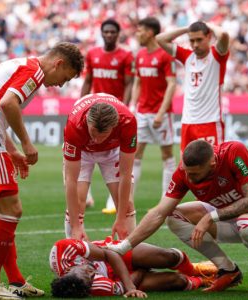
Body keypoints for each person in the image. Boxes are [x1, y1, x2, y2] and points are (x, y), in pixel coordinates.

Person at [0, 42, 84, 299]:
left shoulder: (19, 64)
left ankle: (15, 280)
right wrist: (25, 142)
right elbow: (8, 103)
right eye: (65, 78)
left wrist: (11, 150)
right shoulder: (35, 71)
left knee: (0, 212)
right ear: (59, 63)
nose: (61, 84)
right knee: (12, 209)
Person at [107, 140, 248, 294]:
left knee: (247, 223)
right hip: (231, 218)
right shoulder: (184, 173)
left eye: (194, 173)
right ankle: (228, 270)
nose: (188, 177)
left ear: (212, 163)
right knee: (174, 216)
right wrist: (124, 247)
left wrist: (211, 217)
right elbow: (159, 212)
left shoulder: (234, 152)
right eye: (186, 171)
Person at [63, 93, 137, 241]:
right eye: (93, 133)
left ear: (114, 127)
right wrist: (76, 226)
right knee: (77, 203)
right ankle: (77, 253)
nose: (97, 140)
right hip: (83, 150)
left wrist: (121, 219)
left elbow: (125, 174)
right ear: (87, 123)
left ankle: (130, 254)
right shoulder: (74, 124)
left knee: (127, 205)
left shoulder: (128, 121)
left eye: (103, 136)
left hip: (113, 150)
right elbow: (71, 180)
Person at [80, 18, 135, 214]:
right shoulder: (93, 54)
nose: (109, 35)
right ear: (101, 33)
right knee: (86, 151)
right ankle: (86, 196)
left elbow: (129, 83)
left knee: (115, 156)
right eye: (106, 32)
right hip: (95, 112)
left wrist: (124, 107)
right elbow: (88, 81)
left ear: (118, 34)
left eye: (113, 32)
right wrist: (81, 104)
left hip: (115, 114)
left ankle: (114, 201)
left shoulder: (126, 55)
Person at [49, 237, 217, 297]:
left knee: (168, 257)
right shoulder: (95, 287)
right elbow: (121, 287)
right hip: (119, 276)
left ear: (67, 271)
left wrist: (130, 287)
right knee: (177, 281)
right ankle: (200, 280)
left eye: (85, 272)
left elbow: (110, 254)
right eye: (90, 277)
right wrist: (142, 270)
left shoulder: (63, 250)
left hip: (113, 253)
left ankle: (193, 269)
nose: (90, 272)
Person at [156, 21, 230, 152]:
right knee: (186, 166)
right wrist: (187, 28)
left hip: (210, 121)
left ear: (209, 37)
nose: (195, 45)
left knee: (213, 165)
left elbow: (223, 34)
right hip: (187, 122)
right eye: (192, 40)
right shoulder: (187, 56)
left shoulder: (217, 55)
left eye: (199, 40)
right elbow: (160, 39)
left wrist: (210, 26)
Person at [129, 17, 177, 198]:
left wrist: (161, 112)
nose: (137, 34)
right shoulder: (140, 55)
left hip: (161, 115)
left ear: (150, 33)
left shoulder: (165, 55)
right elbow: (137, 82)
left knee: (166, 154)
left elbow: (172, 84)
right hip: (142, 113)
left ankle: (167, 198)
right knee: (135, 154)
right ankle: (129, 197)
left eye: (140, 31)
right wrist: (133, 107)